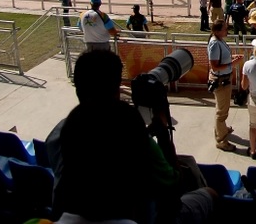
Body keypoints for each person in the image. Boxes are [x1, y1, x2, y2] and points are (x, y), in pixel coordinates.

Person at [48, 50, 215, 224]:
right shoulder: (131, 137)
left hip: (73, 211)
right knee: (211, 194)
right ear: (116, 87)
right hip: (144, 216)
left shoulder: (60, 132)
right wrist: (163, 135)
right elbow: (173, 187)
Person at [208, 19, 243, 152]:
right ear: (217, 31)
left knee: (221, 107)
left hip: (224, 79)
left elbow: (221, 58)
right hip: (220, 80)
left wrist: (231, 57)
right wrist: (232, 64)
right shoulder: (215, 44)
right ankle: (221, 140)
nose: (226, 30)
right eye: (224, 29)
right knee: (222, 111)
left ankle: (221, 128)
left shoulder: (219, 40)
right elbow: (215, 66)